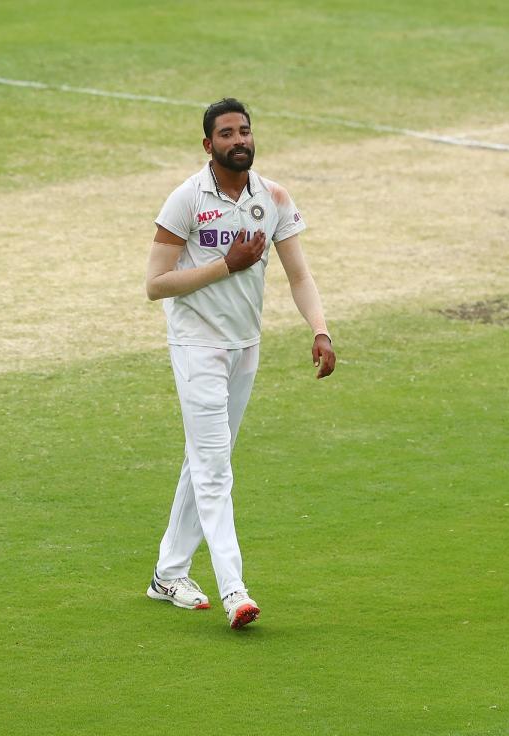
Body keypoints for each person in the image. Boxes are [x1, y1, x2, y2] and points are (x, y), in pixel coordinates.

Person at [144, 98, 336, 629]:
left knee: (205, 462)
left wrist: (319, 329)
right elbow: (155, 285)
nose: (238, 140)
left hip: (245, 347)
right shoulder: (187, 199)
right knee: (214, 472)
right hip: (197, 347)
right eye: (226, 134)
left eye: (244, 131)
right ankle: (235, 590)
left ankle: (168, 574)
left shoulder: (272, 197)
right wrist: (225, 266)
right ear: (209, 146)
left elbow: (300, 274)